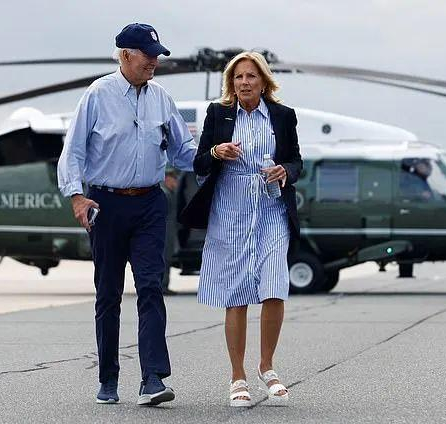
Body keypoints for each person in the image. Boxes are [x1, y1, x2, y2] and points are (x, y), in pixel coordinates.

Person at [57, 23, 196, 406]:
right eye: (148, 55)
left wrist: (216, 156)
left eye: (157, 56)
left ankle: (152, 379)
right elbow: (73, 152)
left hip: (150, 203)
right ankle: (108, 378)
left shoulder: (161, 97)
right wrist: (76, 197)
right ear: (125, 55)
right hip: (106, 204)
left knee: (151, 287)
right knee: (108, 294)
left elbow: (182, 151)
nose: (154, 62)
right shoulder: (97, 95)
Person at [180, 51, 302, 407]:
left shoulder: (283, 115)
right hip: (230, 208)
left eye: (250, 76)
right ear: (231, 83)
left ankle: (267, 366)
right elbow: (199, 162)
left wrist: (285, 171)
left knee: (274, 284)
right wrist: (216, 152)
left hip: (270, 207)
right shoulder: (218, 113)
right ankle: (237, 376)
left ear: (263, 81)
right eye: (238, 77)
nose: (244, 82)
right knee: (236, 292)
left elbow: (296, 161)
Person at [161, 166, 179, 295]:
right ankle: (162, 286)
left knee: (166, 259)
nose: (176, 183)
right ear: (167, 179)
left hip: (169, 232)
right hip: (165, 232)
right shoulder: (165, 193)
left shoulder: (168, 192)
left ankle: (164, 285)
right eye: (174, 179)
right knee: (164, 259)